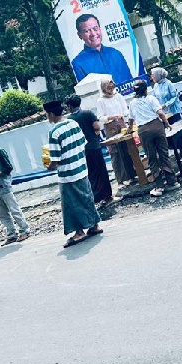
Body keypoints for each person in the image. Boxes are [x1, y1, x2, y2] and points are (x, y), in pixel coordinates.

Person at [43, 100, 103, 248]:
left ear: (51, 114)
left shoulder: (54, 132)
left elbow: (55, 160)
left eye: (46, 114)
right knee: (87, 197)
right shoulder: (73, 124)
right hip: (81, 167)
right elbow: (83, 143)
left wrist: (49, 167)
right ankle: (94, 225)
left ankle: (79, 232)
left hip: (67, 173)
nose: (47, 117)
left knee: (71, 204)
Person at [129, 80, 180, 198]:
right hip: (156, 126)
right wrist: (166, 123)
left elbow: (131, 119)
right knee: (164, 154)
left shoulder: (132, 103)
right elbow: (161, 113)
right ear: (145, 89)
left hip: (144, 131)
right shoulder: (151, 99)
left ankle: (159, 186)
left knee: (152, 158)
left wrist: (130, 129)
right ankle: (172, 181)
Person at [65, 94, 113, 205]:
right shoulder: (88, 113)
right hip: (94, 146)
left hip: (81, 150)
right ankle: (106, 196)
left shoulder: (69, 120)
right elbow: (97, 127)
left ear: (70, 106)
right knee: (101, 171)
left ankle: (96, 197)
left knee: (90, 173)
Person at [70, 13, 136, 85]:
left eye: (95, 28)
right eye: (87, 31)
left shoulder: (115, 53)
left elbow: (131, 83)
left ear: (100, 29)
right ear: (80, 35)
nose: (93, 34)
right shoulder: (77, 64)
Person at [96, 78, 136, 186]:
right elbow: (100, 117)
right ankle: (122, 179)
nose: (110, 89)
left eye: (112, 86)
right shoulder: (101, 100)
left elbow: (125, 109)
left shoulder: (118, 96)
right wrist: (111, 117)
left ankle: (132, 175)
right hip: (110, 127)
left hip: (122, 124)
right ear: (104, 88)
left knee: (127, 149)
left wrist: (123, 115)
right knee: (115, 152)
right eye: (108, 87)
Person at [150, 67, 182, 153]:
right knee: (168, 132)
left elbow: (174, 97)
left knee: (178, 131)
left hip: (173, 111)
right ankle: (178, 149)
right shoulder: (156, 86)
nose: (152, 78)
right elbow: (155, 97)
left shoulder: (168, 83)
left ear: (158, 76)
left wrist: (165, 105)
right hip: (164, 114)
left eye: (153, 76)